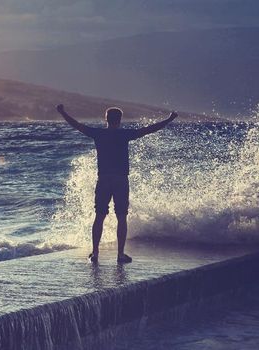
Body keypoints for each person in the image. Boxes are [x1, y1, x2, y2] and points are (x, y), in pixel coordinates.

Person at [56, 104, 177, 264]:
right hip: (120, 180)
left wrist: (63, 112)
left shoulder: (98, 134)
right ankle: (120, 255)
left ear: (106, 119)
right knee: (121, 217)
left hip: (104, 179)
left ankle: (95, 254)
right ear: (120, 120)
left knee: (99, 216)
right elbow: (150, 129)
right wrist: (169, 119)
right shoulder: (124, 134)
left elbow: (77, 125)